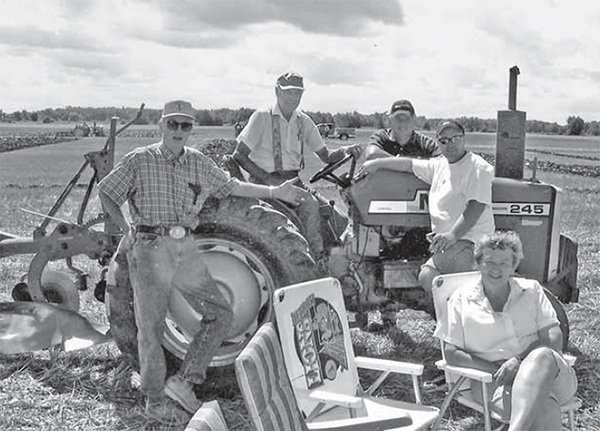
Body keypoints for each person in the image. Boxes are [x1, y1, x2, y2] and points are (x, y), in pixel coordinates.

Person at [98, 100, 308, 425]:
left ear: (191, 129)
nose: (179, 131)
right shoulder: (140, 159)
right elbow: (108, 192)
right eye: (173, 124)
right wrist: (125, 230)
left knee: (220, 314)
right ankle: (155, 402)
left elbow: (232, 186)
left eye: (185, 125)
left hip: (184, 248)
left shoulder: (197, 162)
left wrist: (274, 190)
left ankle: (184, 381)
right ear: (161, 126)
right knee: (150, 330)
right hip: (151, 248)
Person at [435, 231, 577, 430]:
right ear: (477, 263)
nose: (496, 269)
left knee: (542, 355)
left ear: (514, 266)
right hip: (495, 381)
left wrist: (518, 363)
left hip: (551, 376)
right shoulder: (461, 299)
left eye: (504, 263)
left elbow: (554, 338)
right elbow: (451, 353)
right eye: (490, 262)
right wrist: (499, 371)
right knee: (545, 409)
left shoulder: (532, 291)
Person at [232, 72, 362, 264]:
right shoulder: (262, 117)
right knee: (309, 204)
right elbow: (238, 155)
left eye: (298, 93)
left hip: (294, 181)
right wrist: (270, 183)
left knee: (337, 218)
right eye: (289, 92)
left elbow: (326, 156)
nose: (294, 97)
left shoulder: (304, 121)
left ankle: (337, 262)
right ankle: (315, 261)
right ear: (277, 92)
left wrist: (346, 150)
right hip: (265, 182)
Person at [359, 119, 495, 298]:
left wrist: (452, 235)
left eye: (455, 138)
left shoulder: (477, 167)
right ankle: (453, 310)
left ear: (463, 139)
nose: (450, 144)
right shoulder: (440, 165)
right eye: (444, 140)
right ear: (438, 142)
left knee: (429, 277)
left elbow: (475, 206)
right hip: (446, 242)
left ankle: (470, 306)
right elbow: (408, 164)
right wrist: (377, 164)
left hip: (469, 241)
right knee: (429, 278)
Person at [364, 99, 441, 161]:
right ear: (390, 121)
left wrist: (390, 162)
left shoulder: (426, 144)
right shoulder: (381, 137)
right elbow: (371, 154)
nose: (402, 123)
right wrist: (409, 165)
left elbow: (442, 163)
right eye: (398, 118)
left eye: (406, 118)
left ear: (414, 119)